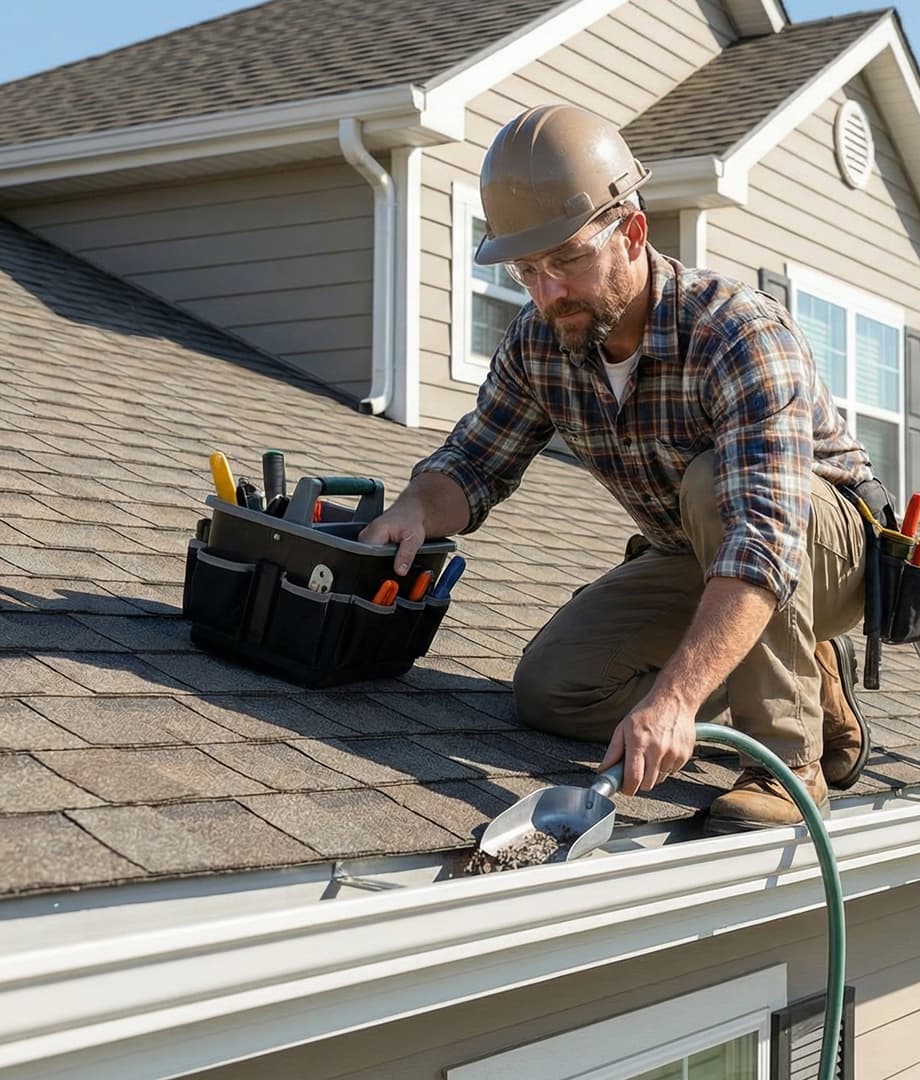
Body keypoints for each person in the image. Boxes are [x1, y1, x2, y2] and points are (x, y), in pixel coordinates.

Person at [362, 103, 886, 832]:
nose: (548, 293)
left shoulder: (738, 333)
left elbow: (763, 538)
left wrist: (674, 700)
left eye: (568, 260)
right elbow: (473, 462)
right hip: (699, 554)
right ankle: (797, 671)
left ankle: (785, 764)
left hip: (825, 551)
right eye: (527, 270)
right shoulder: (541, 342)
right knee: (552, 691)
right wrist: (416, 508)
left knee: (714, 490)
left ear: (633, 232)